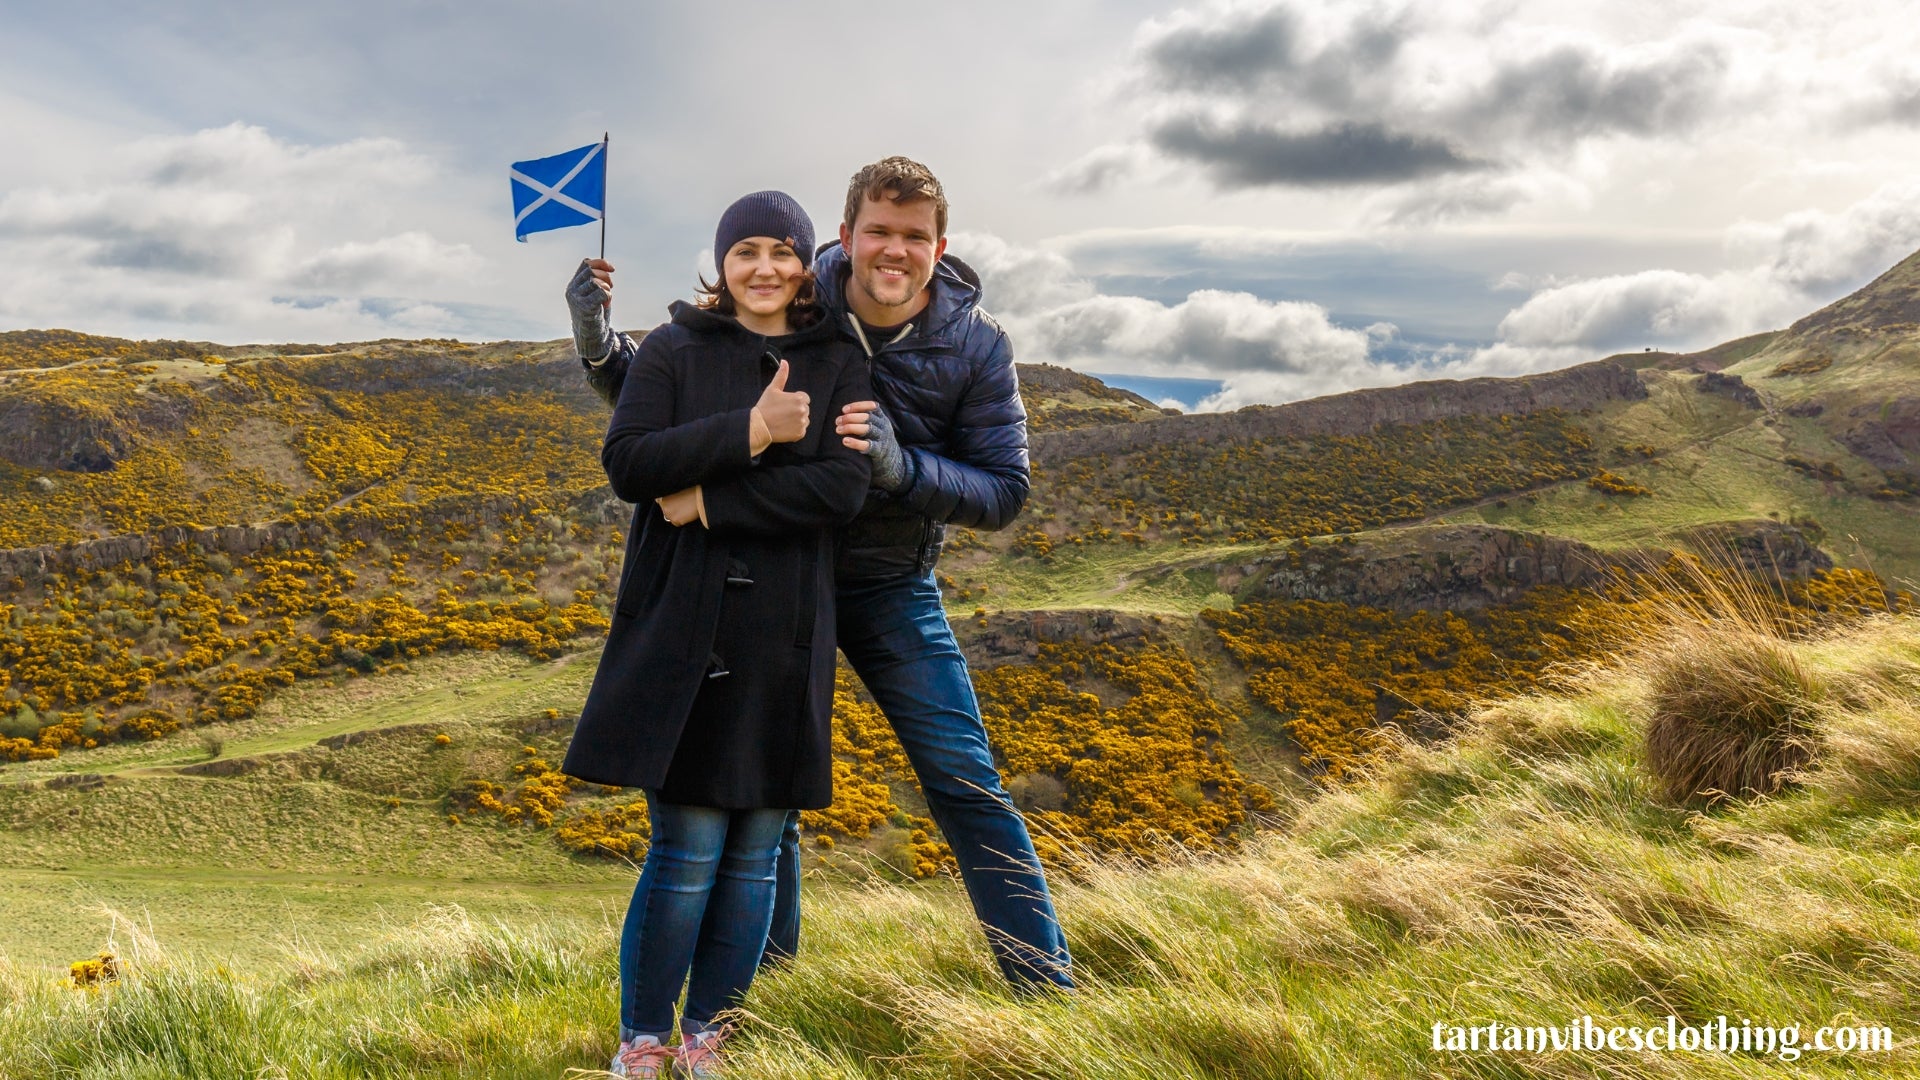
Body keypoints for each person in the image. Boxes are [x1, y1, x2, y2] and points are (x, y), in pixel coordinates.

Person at [566, 157, 1077, 993]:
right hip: (772, 574)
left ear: (939, 246)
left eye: (914, 236)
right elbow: (684, 387)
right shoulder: (800, 284)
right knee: (768, 787)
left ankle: (1045, 986)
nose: (894, 250)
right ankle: (766, 992)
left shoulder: (978, 348)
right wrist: (597, 348)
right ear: (846, 237)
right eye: (879, 230)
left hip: (887, 584)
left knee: (963, 778)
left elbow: (1005, 490)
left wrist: (902, 468)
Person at [561, 190, 872, 1078]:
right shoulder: (671, 349)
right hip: (681, 632)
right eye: (747, 252)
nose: (765, 267)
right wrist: (752, 430)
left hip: (787, 639)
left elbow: (839, 493)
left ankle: (713, 1039)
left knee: (755, 856)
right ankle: (644, 1043)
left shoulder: (836, 360)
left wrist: (709, 496)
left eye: (783, 250)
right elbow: (629, 463)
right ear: (721, 263)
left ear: (808, 264)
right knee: (688, 848)